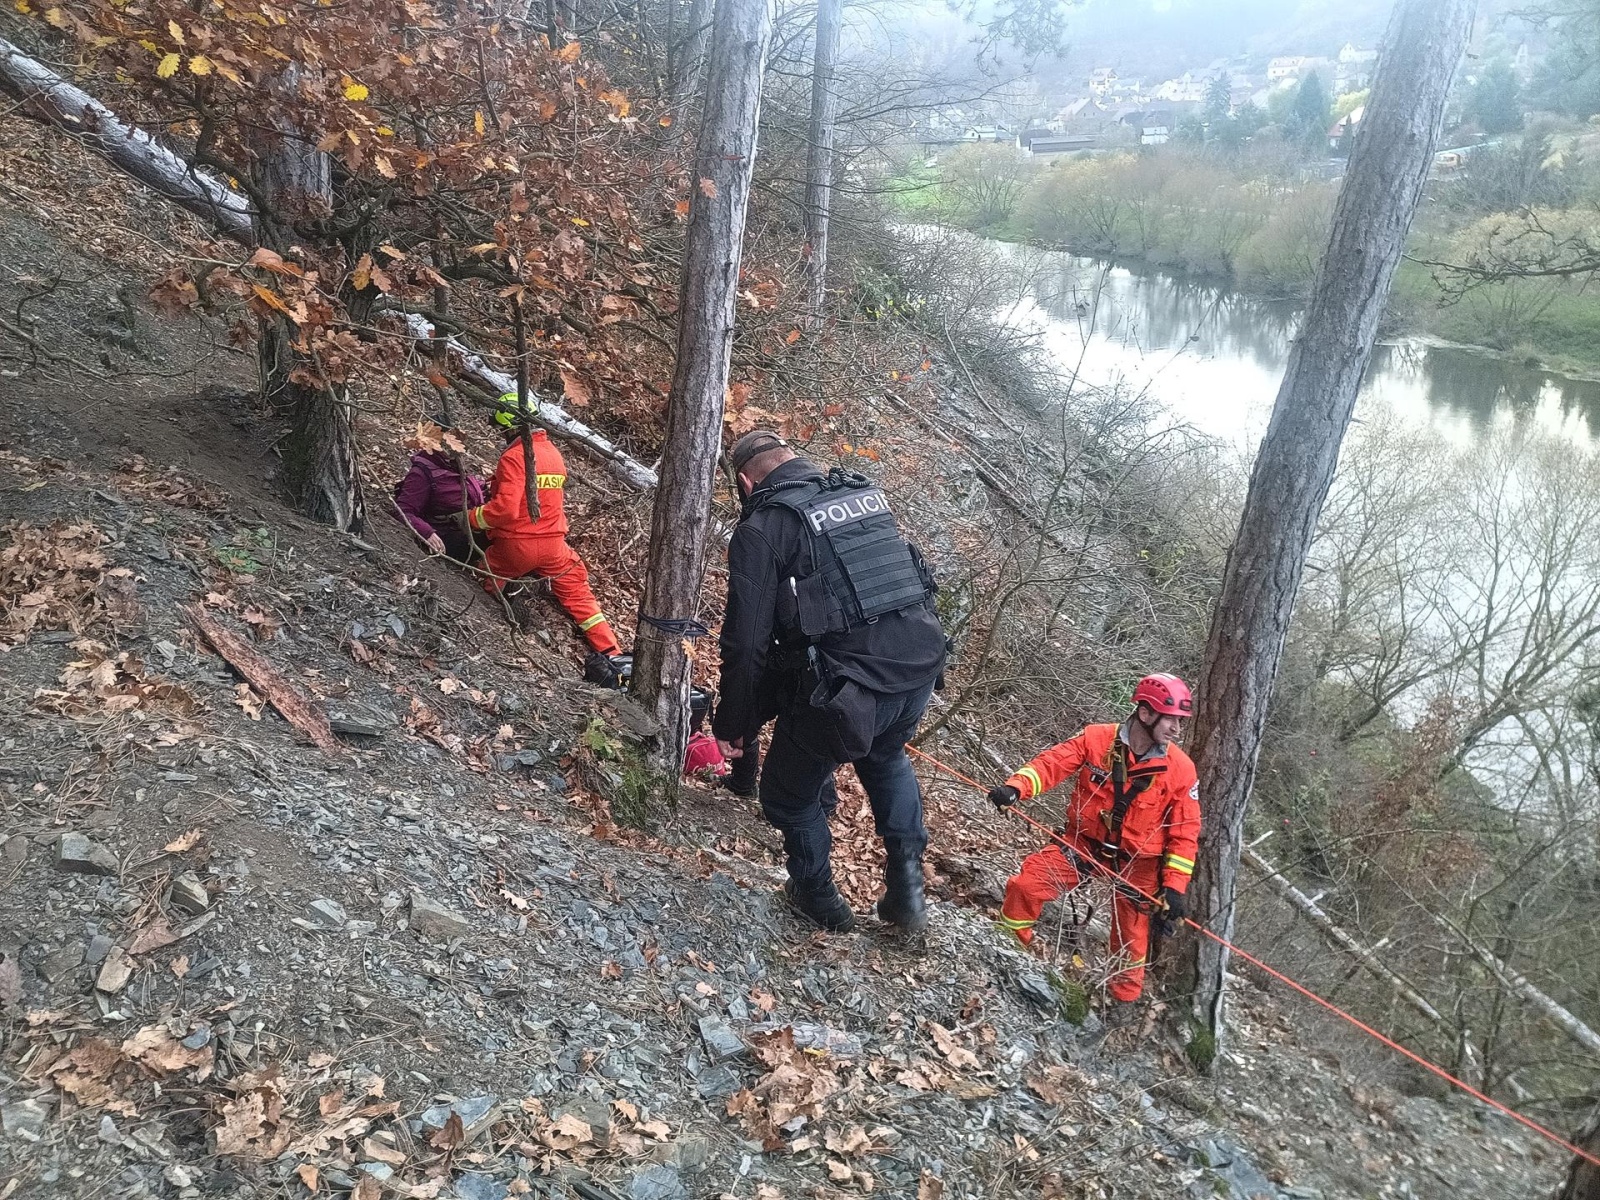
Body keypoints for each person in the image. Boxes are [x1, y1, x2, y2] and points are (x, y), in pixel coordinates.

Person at [713, 429, 946, 934]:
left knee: (785, 796)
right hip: (920, 667)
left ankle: (817, 899)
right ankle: (907, 889)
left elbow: (746, 643)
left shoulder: (764, 527)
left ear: (747, 484)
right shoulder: (859, 493)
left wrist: (734, 722)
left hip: (850, 689)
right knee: (885, 756)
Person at [988, 673, 1201, 1004]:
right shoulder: (1097, 740)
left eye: (1180, 722)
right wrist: (1017, 787)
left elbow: (1185, 832)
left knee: (1132, 939)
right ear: (1146, 714)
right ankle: (1009, 946)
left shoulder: (1181, 770)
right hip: (1084, 844)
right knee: (1026, 886)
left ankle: (1121, 1002)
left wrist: (1174, 888)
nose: (1176, 730)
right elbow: (1051, 764)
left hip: (1138, 864)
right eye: (1171, 720)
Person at [468, 395, 622, 660]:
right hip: (554, 545)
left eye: (502, 428)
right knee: (581, 599)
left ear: (511, 425)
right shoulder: (553, 454)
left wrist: (470, 517)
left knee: (482, 577)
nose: (501, 434)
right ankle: (613, 654)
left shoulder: (515, 457)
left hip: (516, 546)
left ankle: (492, 625)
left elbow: (504, 511)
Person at [391, 419, 487, 562]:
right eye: (449, 440)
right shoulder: (421, 473)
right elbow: (403, 510)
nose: (454, 446)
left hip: (471, 526)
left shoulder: (451, 464)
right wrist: (427, 532)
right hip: (450, 537)